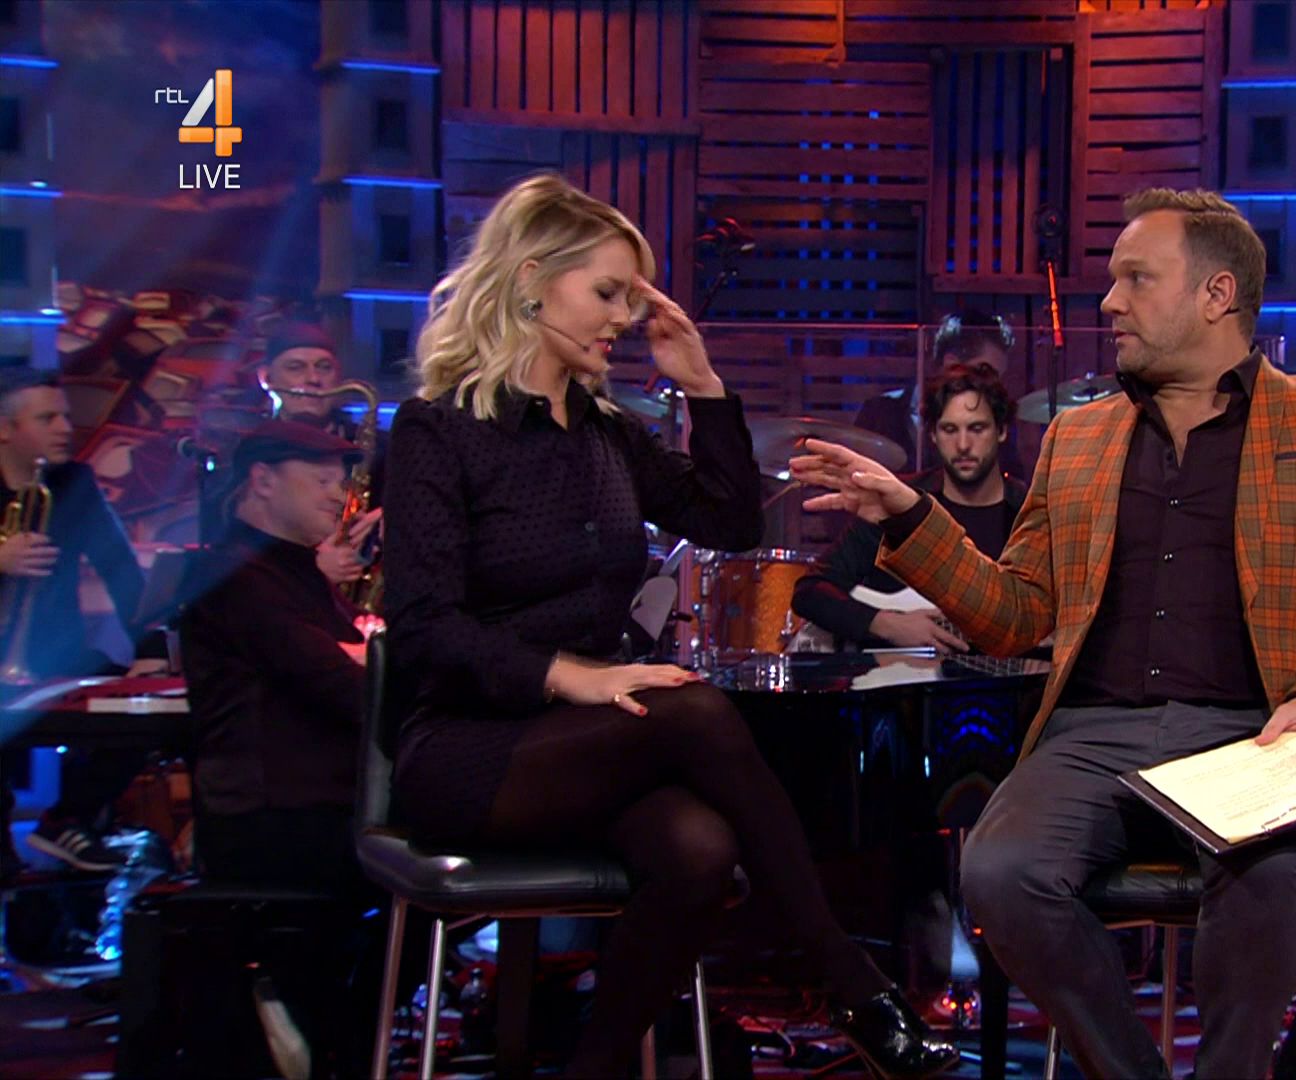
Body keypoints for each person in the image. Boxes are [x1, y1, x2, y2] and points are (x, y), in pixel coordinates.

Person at [793, 187, 1296, 1079]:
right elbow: (1016, 615)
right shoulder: (1078, 438)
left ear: (1216, 294)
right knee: (1000, 872)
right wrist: (909, 516)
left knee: (1261, 885)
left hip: (1254, 733)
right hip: (1094, 736)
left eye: (1137, 278)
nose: (1110, 301)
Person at [380, 174, 956, 1079]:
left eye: (630, 298)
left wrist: (703, 386)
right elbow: (423, 630)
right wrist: (576, 676)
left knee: (701, 853)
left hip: (595, 743)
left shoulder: (607, 434)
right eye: (607, 293)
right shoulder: (437, 430)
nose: (622, 318)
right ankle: (854, 987)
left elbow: (728, 522)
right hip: (469, 749)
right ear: (532, 281)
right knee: (690, 708)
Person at [178, 419, 376, 1079]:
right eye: (320, 479)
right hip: (275, 818)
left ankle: (329, 1024)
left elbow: (352, 671)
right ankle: (324, 1024)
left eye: (340, 480)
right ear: (261, 481)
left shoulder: (294, 574)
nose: (338, 494)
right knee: (443, 862)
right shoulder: (235, 575)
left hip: (318, 808)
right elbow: (340, 686)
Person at [0, 370, 159, 876]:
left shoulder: (74, 483)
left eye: (65, 416)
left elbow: (121, 570)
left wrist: (150, 651)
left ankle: (68, 819)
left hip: (58, 652)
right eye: (47, 418)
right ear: (5, 429)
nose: (65, 428)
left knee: (149, 708)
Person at [793, 362, 1027, 651]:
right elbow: (810, 592)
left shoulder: (1027, 512)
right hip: (898, 677)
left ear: (1002, 431)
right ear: (933, 435)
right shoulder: (899, 501)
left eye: (977, 428)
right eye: (949, 430)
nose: (963, 444)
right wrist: (886, 624)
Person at [254, 322, 384, 591]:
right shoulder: (247, 450)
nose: (313, 379)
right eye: (295, 367)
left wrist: (394, 517)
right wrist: (312, 570)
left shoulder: (381, 447)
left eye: (324, 368)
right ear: (267, 378)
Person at [855, 310, 1024, 477]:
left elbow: (1013, 477)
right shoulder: (878, 412)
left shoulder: (995, 423)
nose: (993, 384)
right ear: (951, 364)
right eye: (985, 372)